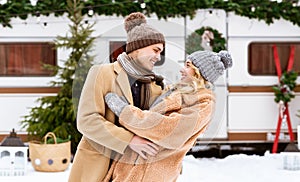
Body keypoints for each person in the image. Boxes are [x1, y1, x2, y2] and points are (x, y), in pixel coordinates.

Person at [103, 50, 233, 181]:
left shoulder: (204, 104)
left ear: (199, 72)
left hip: (149, 173)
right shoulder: (177, 91)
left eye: (188, 66)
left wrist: (123, 110)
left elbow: (165, 129)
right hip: (130, 167)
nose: (182, 70)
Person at [68, 12, 165, 182]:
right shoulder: (102, 73)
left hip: (133, 171)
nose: (158, 57)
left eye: (161, 52)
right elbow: (87, 120)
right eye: (155, 50)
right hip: (99, 166)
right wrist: (129, 140)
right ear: (138, 47)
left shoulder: (154, 86)